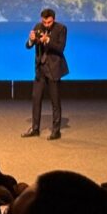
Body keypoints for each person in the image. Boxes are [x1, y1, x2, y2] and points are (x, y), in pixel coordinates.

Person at [22, 8, 68, 140]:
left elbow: (60, 48)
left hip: (53, 69)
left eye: (49, 22)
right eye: (44, 22)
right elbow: (28, 46)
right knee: (36, 99)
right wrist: (30, 40)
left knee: (55, 101)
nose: (46, 24)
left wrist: (47, 40)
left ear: (53, 19)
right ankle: (35, 128)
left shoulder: (61, 29)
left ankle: (56, 131)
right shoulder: (38, 26)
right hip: (40, 70)